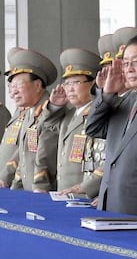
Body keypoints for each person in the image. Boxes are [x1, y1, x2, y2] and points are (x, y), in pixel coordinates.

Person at [85, 32, 137, 216]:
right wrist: (107, 93)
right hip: (109, 204)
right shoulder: (126, 100)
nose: (129, 69)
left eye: (136, 62)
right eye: (125, 63)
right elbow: (94, 128)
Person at [41, 48, 104, 198]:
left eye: (76, 82)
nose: (70, 88)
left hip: (87, 195)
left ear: (94, 84)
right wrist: (55, 107)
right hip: (65, 193)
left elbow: (105, 158)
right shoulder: (68, 115)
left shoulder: (99, 113)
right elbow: (47, 128)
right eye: (67, 83)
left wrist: (88, 188)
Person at [7, 48, 59, 192]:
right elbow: (24, 155)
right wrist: (15, 187)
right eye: (11, 86)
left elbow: (46, 156)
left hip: (43, 193)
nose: (13, 92)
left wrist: (39, 189)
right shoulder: (29, 112)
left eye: (18, 85)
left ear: (37, 85)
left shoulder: (50, 112)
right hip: (28, 192)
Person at [0, 47, 28, 188]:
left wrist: (6, 176)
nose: (12, 88)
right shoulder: (18, 110)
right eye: (11, 82)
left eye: (18, 83)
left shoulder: (37, 113)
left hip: (17, 184)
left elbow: (24, 150)